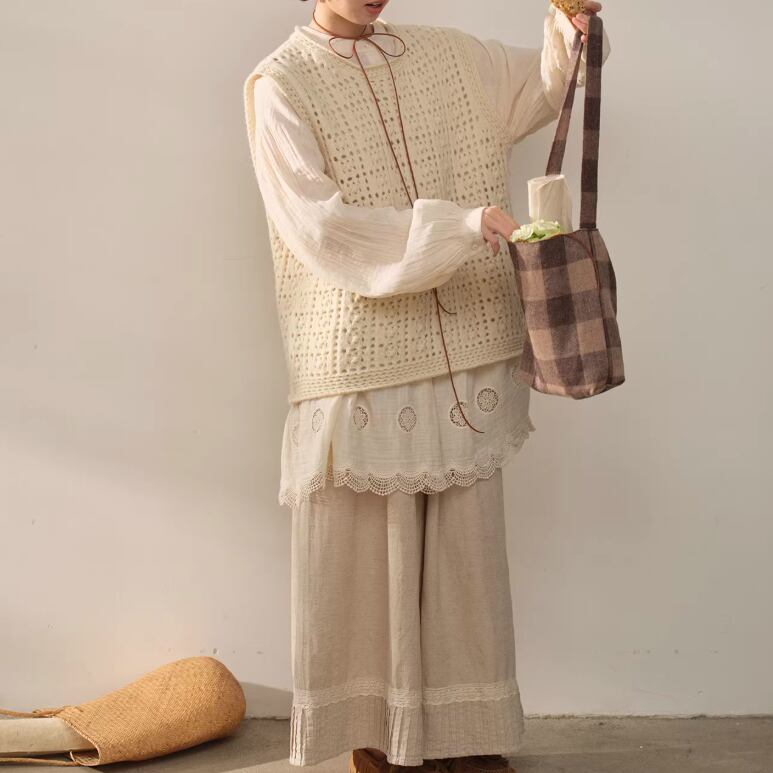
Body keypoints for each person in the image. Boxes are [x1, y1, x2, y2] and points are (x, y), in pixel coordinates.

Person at [242, 1, 610, 770]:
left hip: (467, 340)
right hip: (359, 355)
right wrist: (458, 226)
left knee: (463, 561)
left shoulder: (448, 55)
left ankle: (462, 737)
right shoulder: (281, 84)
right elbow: (319, 226)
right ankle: (372, 735)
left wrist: (566, 30)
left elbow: (542, 86)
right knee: (357, 563)